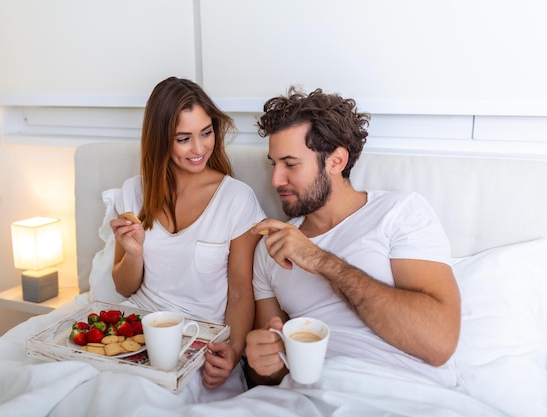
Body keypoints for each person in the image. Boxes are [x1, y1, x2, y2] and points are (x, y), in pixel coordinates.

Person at [245, 86, 461, 388]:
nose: (275, 180)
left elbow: (438, 342)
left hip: (401, 394)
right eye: (274, 164)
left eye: (290, 164)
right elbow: (269, 373)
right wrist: (262, 364)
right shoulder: (270, 248)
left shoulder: (399, 212)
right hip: (303, 399)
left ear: (336, 161)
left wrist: (319, 259)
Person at [110, 77, 265, 396]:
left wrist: (234, 352)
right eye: (184, 138)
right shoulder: (132, 192)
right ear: (160, 141)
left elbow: (239, 293)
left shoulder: (236, 199)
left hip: (197, 344)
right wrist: (134, 252)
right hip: (133, 334)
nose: (199, 148)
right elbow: (124, 286)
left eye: (206, 133)